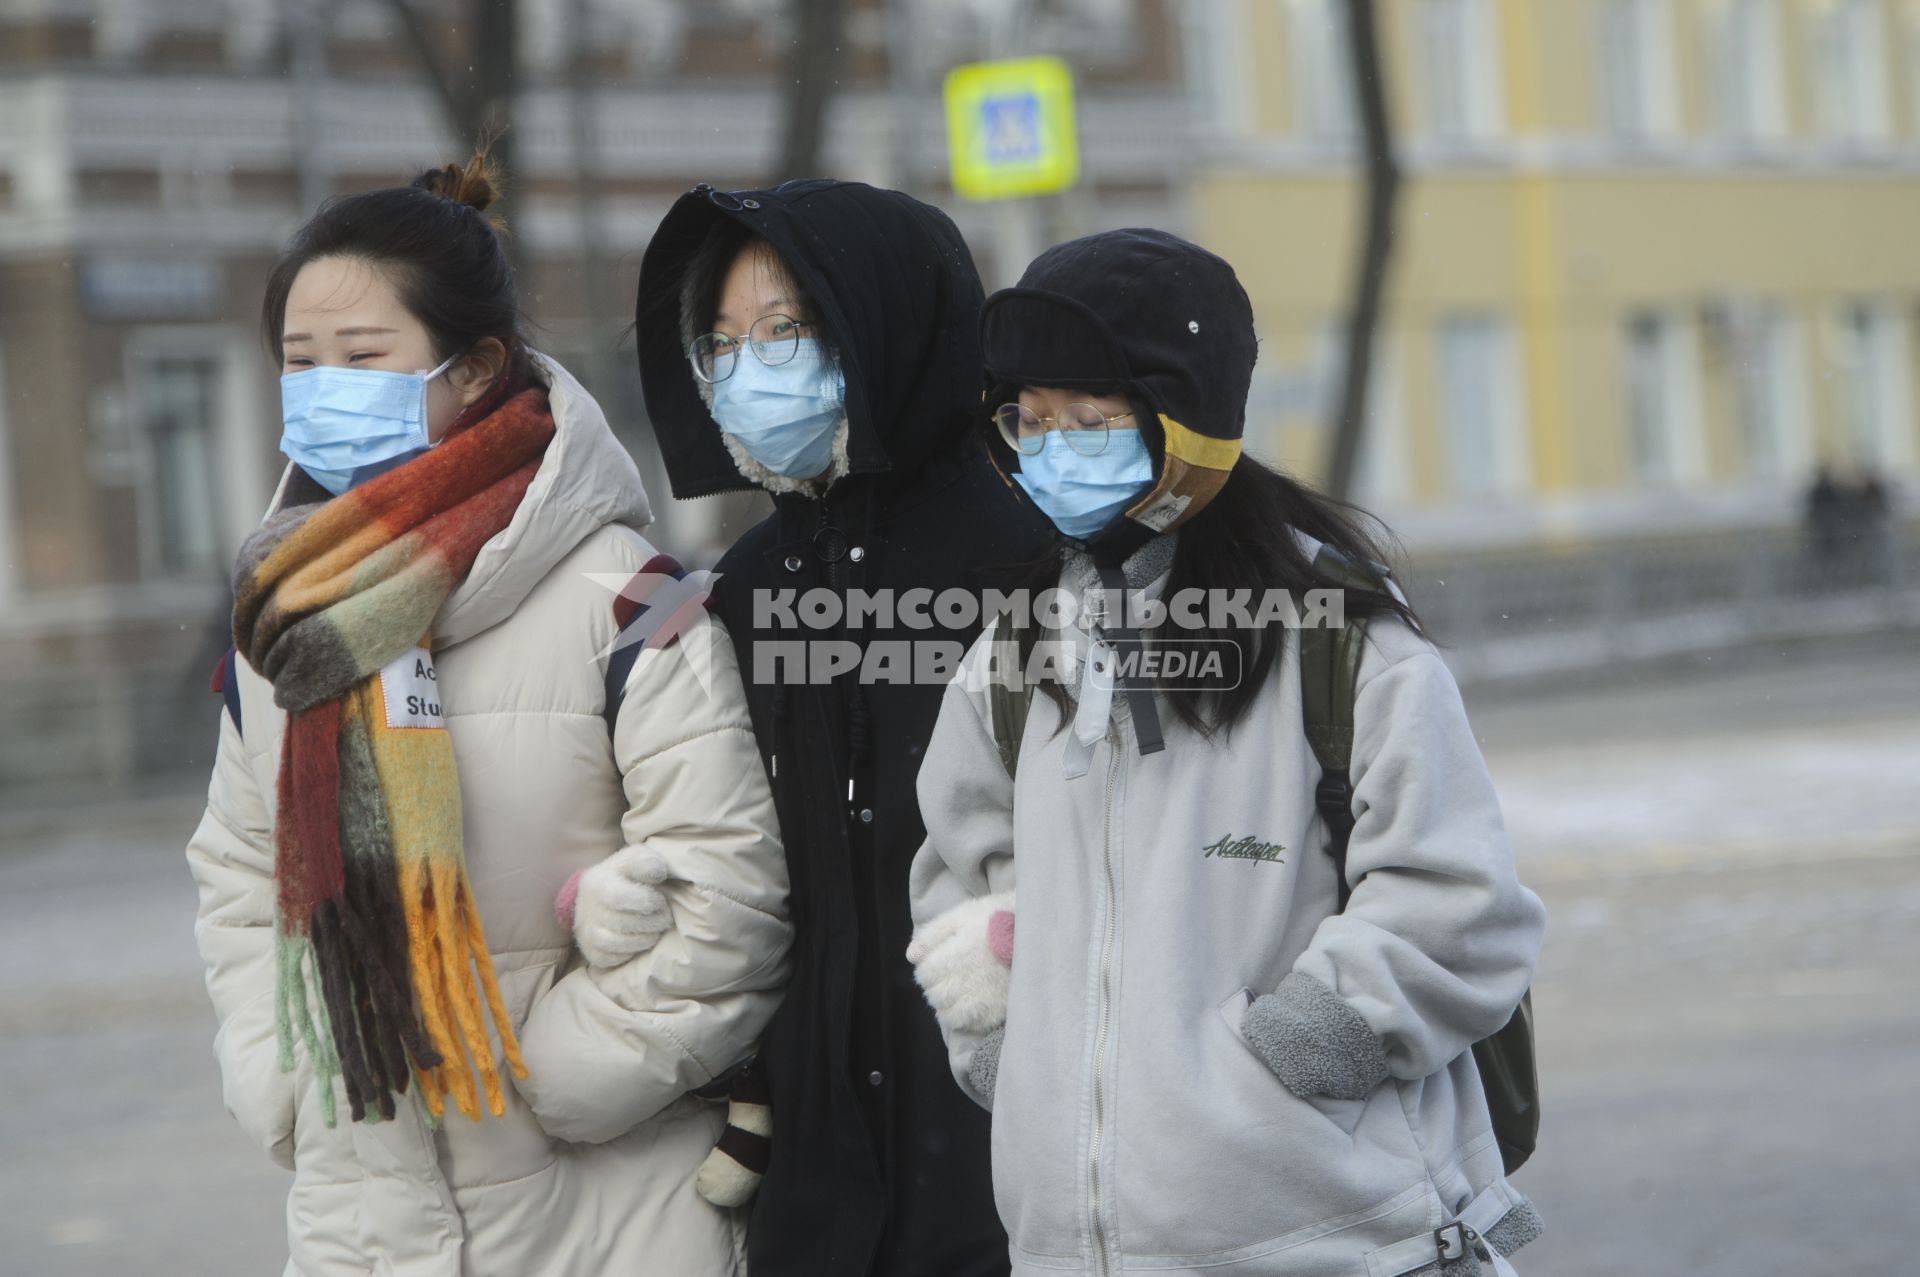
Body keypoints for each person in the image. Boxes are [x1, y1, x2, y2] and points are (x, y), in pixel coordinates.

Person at [185, 153, 792, 1277]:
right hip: (358, 1223)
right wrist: (278, 1071)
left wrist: (557, 1076)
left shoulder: (621, 593)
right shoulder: (284, 617)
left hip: (606, 1219)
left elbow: (729, 883)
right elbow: (236, 870)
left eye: (363, 360)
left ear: (478, 369)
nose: (323, 390)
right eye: (298, 363)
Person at [907, 229, 1548, 1276]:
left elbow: (1459, 900)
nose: (1053, 445)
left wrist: (1301, 1048)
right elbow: (960, 869)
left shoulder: (1343, 644)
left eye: (1091, 417)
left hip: (1331, 1245)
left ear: (1185, 418)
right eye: (1031, 419)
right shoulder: (1016, 651)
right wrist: (998, 1031)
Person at [622, 179, 1051, 1277]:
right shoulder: (745, 588)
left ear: (889, 331)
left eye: (788, 331)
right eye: (722, 342)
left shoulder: (1034, 565)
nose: (750, 368)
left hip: (1011, 1143)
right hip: (817, 1172)